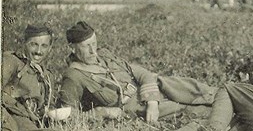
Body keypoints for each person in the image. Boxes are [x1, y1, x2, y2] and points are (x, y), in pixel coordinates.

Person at [57, 21, 218, 123]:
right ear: (72, 48)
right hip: (136, 107)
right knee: (196, 110)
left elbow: (143, 74)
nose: (93, 51)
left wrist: (153, 103)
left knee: (201, 90)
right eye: (86, 46)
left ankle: (225, 94)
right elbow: (67, 114)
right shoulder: (73, 76)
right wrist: (101, 112)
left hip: (152, 90)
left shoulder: (104, 55)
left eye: (94, 43)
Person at [1, 25, 74, 131]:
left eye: (44, 46)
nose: (38, 51)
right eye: (33, 44)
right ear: (24, 43)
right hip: (9, 120)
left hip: (29, 128)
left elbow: (44, 108)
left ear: (50, 48)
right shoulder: (12, 61)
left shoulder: (47, 76)